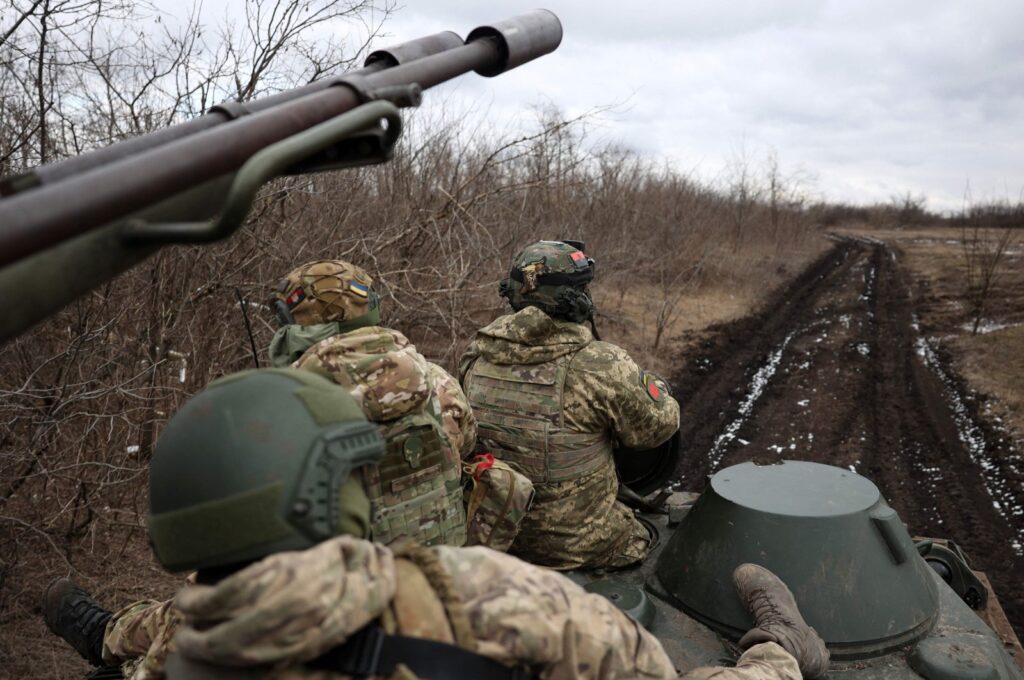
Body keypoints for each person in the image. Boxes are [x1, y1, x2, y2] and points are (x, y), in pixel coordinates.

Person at [43, 369, 828, 680]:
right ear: (333, 494)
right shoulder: (476, 597)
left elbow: (165, 624)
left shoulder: (178, 648)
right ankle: (783, 653)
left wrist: (97, 629)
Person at [460, 240, 680, 570]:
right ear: (576, 301)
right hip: (582, 548)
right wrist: (656, 387)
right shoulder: (602, 364)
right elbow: (659, 428)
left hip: (495, 537)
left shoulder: (475, 354)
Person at [268, 259, 474, 547]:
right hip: (439, 570)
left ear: (290, 324)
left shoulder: (278, 404)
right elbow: (465, 444)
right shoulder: (436, 380)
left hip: (346, 581)